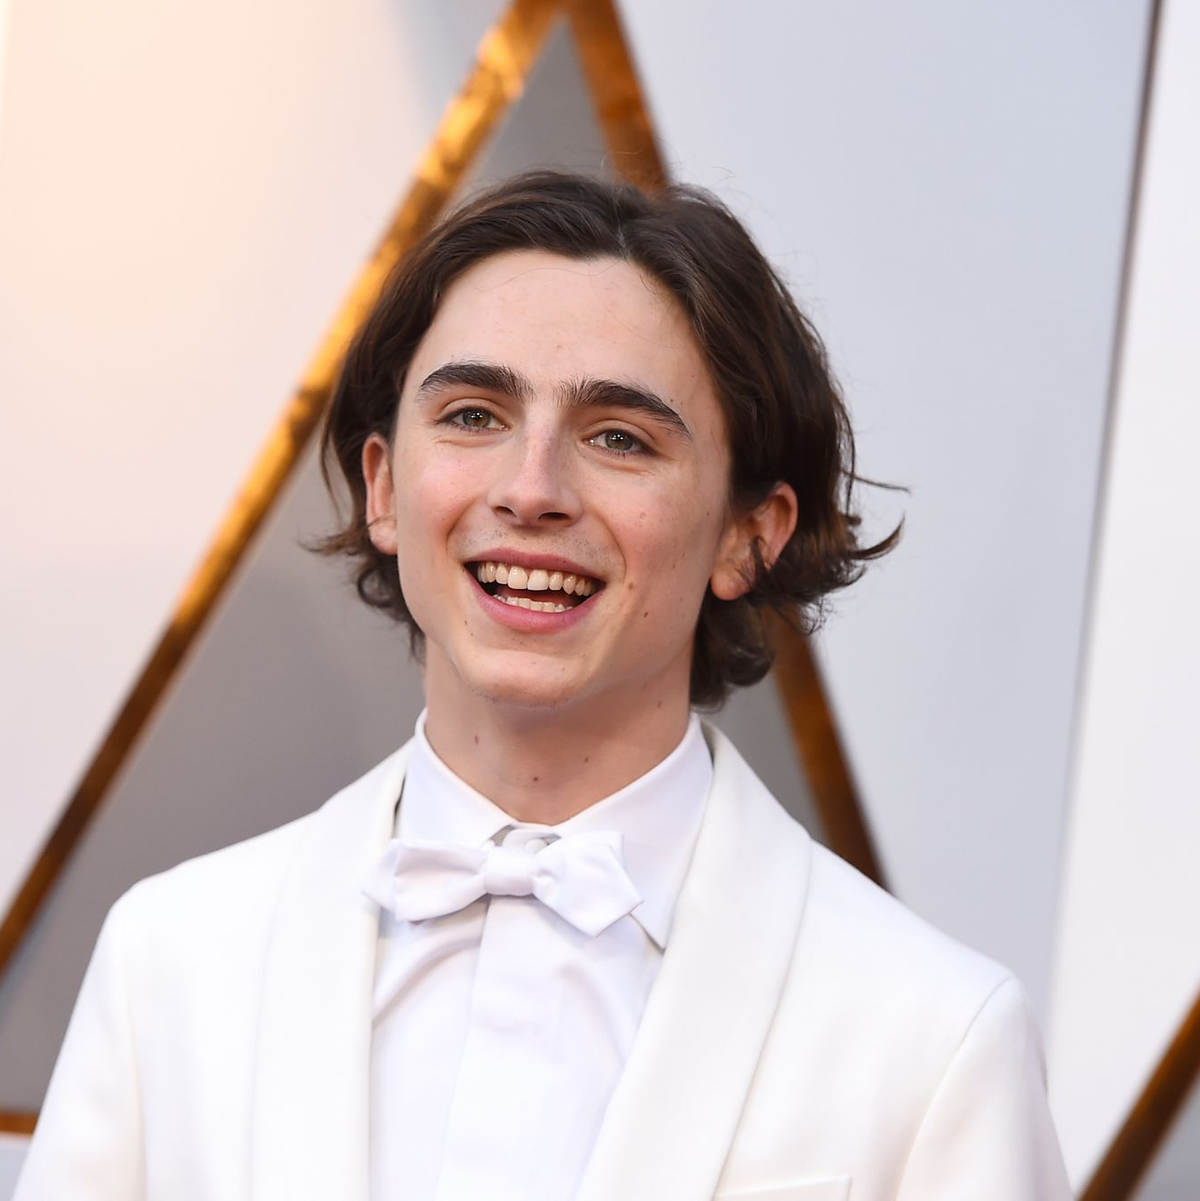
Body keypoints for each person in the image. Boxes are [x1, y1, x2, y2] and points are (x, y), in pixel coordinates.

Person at [15, 171, 1072, 1200]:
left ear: (750, 535)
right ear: (385, 487)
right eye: (474, 415)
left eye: (620, 437)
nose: (531, 491)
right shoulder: (170, 961)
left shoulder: (937, 1037)